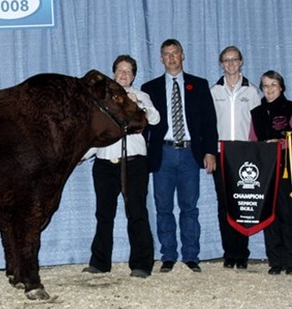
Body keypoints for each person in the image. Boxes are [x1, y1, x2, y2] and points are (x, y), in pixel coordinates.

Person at [141, 39, 218, 273]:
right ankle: (168, 255)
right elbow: (144, 127)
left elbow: (209, 122)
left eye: (175, 53)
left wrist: (210, 151)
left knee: (189, 207)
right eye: (167, 54)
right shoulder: (149, 89)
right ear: (161, 58)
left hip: (189, 153)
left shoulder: (199, 85)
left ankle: (191, 255)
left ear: (183, 55)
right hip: (162, 153)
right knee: (163, 207)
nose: (171, 58)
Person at [82, 55, 160, 278]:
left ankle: (142, 264)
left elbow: (155, 119)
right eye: (120, 70)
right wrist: (83, 155)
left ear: (134, 76)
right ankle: (99, 262)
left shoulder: (141, 96)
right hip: (105, 163)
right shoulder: (103, 101)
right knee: (103, 214)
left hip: (134, 162)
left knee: (136, 211)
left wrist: (139, 104)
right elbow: (98, 135)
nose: (124, 74)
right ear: (113, 74)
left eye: (128, 71)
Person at [209, 46, 261, 269]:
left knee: (242, 204)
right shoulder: (214, 91)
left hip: (245, 154)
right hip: (221, 154)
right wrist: (209, 152)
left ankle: (242, 253)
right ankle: (229, 252)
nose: (230, 64)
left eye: (234, 60)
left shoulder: (252, 92)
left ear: (241, 62)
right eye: (226, 60)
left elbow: (258, 126)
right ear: (221, 64)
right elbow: (208, 125)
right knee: (224, 205)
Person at [249, 70, 292, 276]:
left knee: (288, 216)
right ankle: (275, 261)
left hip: (287, 170)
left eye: (273, 85)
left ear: (281, 87)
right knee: (269, 217)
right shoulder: (256, 112)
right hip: (266, 171)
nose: (269, 90)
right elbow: (252, 141)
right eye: (265, 86)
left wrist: (278, 144)